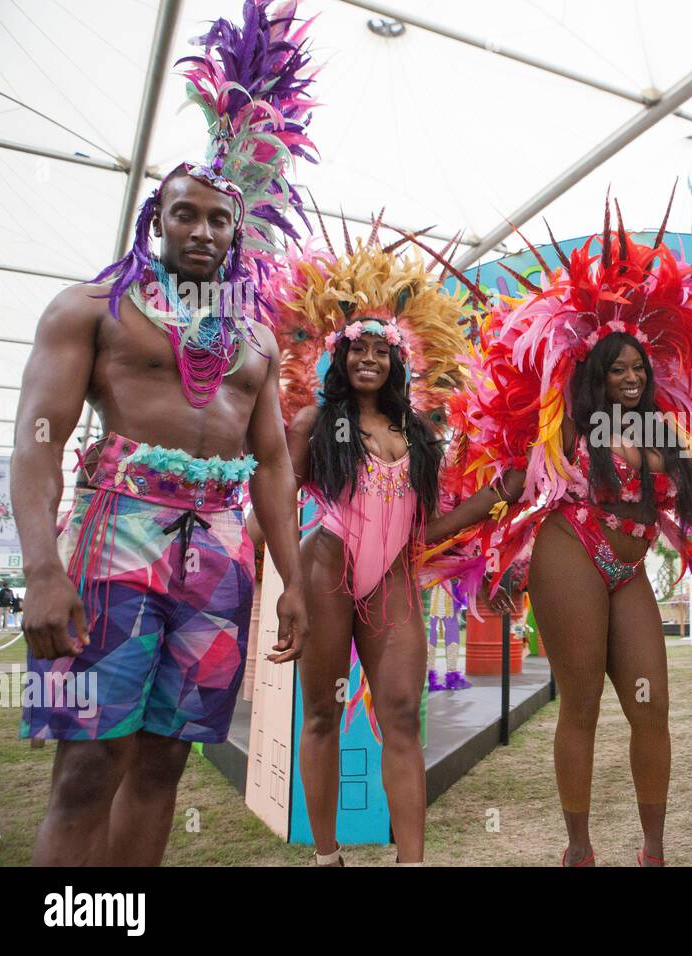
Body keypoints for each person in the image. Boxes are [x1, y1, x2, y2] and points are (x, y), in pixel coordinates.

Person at [11, 0, 315, 866]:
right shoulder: (90, 310)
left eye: (221, 219)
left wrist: (291, 580)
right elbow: (37, 439)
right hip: (117, 537)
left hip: (219, 552)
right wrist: (41, 570)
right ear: (157, 220)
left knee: (164, 760)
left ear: (237, 232)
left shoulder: (255, 338)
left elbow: (274, 469)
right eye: (187, 214)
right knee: (87, 763)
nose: (205, 231)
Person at [419, 206, 692, 866]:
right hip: (571, 555)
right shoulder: (568, 434)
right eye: (619, 370)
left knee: (651, 705)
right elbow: (504, 491)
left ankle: (654, 848)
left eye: (640, 369)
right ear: (596, 376)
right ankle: (578, 846)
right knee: (580, 704)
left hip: (630, 572)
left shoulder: (663, 434)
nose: (634, 379)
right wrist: (432, 534)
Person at [269, 227, 471, 866]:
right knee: (323, 714)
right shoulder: (313, 423)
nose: (368, 359)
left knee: (404, 716)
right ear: (339, 358)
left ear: (396, 363)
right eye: (357, 349)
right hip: (324, 570)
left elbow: (424, 530)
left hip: (392, 583)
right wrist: (282, 580)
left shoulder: (419, 434)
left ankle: (411, 860)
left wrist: (497, 494)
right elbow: (275, 499)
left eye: (381, 352)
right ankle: (327, 856)